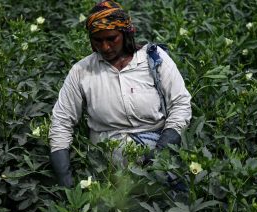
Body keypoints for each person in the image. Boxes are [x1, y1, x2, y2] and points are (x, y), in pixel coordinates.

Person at [48, 0, 192, 187]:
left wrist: (161, 152)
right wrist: (65, 182)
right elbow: (62, 122)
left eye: (111, 38)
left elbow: (180, 104)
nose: (105, 47)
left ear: (126, 34)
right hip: (107, 169)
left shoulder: (154, 60)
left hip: (158, 160)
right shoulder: (81, 71)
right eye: (97, 40)